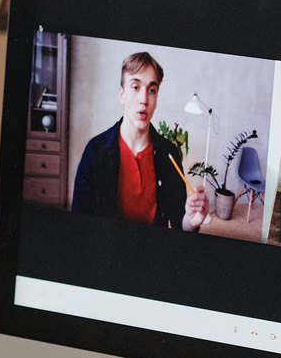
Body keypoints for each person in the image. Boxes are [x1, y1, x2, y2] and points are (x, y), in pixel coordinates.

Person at [69, 51, 209, 231]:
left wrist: (191, 221)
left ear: (156, 98)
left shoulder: (169, 154)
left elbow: (178, 223)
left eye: (152, 90)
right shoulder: (95, 151)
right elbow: (79, 222)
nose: (144, 99)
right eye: (135, 87)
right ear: (121, 94)